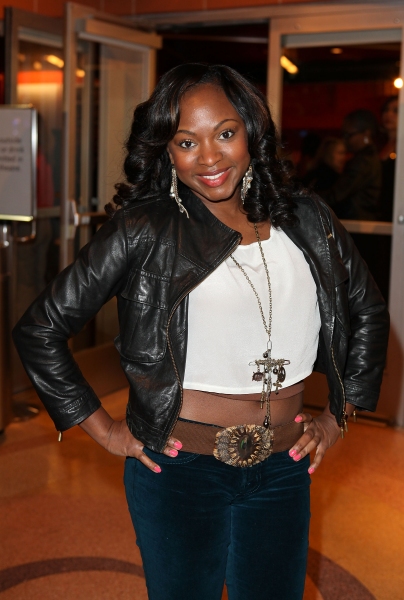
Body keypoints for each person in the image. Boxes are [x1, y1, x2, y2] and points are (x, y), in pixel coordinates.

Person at [12, 64, 389, 600]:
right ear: (167, 150)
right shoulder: (143, 228)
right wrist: (106, 430)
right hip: (179, 470)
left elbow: (369, 312)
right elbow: (40, 328)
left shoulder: (308, 219)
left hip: (284, 467)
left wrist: (336, 419)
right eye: (186, 141)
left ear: (252, 133)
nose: (209, 158)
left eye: (226, 134)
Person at [322, 109, 381, 220]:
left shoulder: (363, 161)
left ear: (366, 134)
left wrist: (306, 198)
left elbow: (337, 195)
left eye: (349, 135)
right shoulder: (368, 157)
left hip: (360, 225)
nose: (345, 140)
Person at [379, 95, 398, 222]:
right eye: (386, 110)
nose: (388, 114)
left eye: (395, 111)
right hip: (381, 210)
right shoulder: (378, 144)